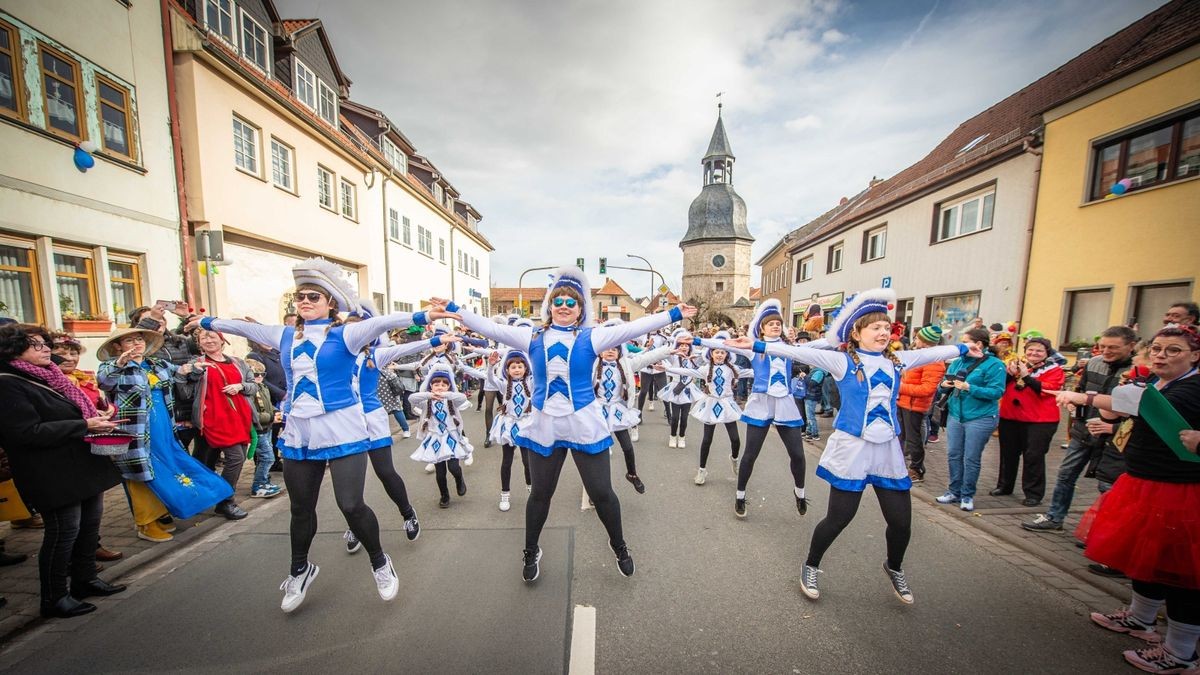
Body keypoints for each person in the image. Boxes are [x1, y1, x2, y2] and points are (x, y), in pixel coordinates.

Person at [186, 258, 438, 612]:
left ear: (330, 303)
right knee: (301, 507)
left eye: (313, 296)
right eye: (300, 297)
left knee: (351, 504)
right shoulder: (284, 334)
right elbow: (244, 329)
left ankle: (380, 561)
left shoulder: (347, 334)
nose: (304, 302)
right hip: (299, 432)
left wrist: (424, 317)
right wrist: (209, 321)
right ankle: (300, 569)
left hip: (342, 428)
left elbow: (384, 321)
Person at [430, 267, 694, 582]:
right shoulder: (531, 336)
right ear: (550, 307)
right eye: (559, 302)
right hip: (544, 425)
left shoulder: (593, 336)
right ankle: (531, 549)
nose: (565, 306)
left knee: (602, 492)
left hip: (583, 423)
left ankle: (619, 544)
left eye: (572, 302)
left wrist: (675, 313)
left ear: (581, 309)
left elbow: (635, 326)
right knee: (541, 493)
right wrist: (455, 311)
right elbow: (490, 328)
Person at [727, 288, 974, 605]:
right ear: (856, 333)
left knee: (901, 522)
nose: (884, 332)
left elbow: (936, 353)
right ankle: (811, 564)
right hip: (853, 451)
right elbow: (798, 353)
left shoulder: (899, 360)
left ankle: (894, 566)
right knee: (839, 518)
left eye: (887, 327)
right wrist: (757, 344)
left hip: (887, 452)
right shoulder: (841, 361)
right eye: (876, 327)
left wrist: (966, 347)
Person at [1052, 325, 1200, 673]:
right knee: (1145, 560)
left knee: (1180, 574)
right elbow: (1121, 410)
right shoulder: (1157, 382)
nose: (1162, 355)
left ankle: (1180, 653)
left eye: (1174, 350)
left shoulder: (1192, 389)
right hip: (1145, 483)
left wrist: (1082, 397)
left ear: (1195, 355)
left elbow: (1129, 405)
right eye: (1158, 349)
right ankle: (1141, 618)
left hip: (1178, 492)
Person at [0, 323, 126, 618]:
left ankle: (85, 580)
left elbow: (66, 411)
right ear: (13, 349)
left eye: (45, 343)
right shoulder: (8, 382)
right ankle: (55, 597)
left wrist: (95, 414)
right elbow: (25, 433)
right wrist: (84, 425)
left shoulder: (53, 376)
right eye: (36, 344)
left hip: (80, 462)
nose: (46, 348)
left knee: (89, 524)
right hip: (50, 470)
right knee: (63, 531)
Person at [97, 327, 232, 542]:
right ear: (117, 346)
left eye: (139, 339)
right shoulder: (111, 367)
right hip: (136, 431)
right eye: (129, 340)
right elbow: (104, 381)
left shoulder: (156, 364)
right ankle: (145, 523)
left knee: (167, 469)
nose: (136, 344)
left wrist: (193, 367)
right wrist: (120, 363)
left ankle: (161, 514)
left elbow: (180, 372)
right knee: (142, 475)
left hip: (163, 427)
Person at [696, 299, 807, 519]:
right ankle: (739, 495)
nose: (775, 325)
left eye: (778, 323)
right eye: (771, 323)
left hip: (785, 404)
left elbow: (820, 349)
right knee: (750, 455)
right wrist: (695, 340)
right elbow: (722, 346)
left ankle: (800, 492)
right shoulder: (753, 349)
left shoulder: (791, 349)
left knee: (797, 454)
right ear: (762, 328)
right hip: (761, 404)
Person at [1022, 326, 1136, 532]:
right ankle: (1055, 518)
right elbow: (1081, 391)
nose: (1106, 351)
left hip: (1114, 436)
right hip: (1084, 429)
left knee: (1108, 485)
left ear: (1131, 346)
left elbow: (1138, 411)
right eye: (1102, 346)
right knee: (1066, 474)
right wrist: (1075, 404)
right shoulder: (1093, 363)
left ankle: (1103, 530)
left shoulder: (1138, 370)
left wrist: (1114, 427)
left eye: (1113, 347)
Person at [50, 333, 123, 562]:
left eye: (73, 353)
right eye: (62, 353)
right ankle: (77, 558)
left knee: (93, 507)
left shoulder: (84, 378)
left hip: (92, 444)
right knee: (72, 513)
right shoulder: (49, 382)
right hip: (68, 447)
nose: (70, 358)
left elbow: (100, 402)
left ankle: (91, 548)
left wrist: (109, 409)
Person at [178, 328, 257, 519]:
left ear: (222, 341)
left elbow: (253, 386)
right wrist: (189, 375)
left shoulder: (238, 362)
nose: (208, 340)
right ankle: (225, 502)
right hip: (215, 418)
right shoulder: (196, 364)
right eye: (203, 338)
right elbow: (184, 392)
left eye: (212, 336)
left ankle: (213, 496)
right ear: (199, 344)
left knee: (223, 459)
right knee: (235, 458)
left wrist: (241, 386)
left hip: (239, 417)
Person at [595, 321, 675, 492]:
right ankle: (597, 486)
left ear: (619, 352)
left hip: (617, 411)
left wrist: (668, 350)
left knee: (627, 446)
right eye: (606, 348)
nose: (610, 351)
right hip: (597, 412)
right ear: (600, 352)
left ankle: (632, 474)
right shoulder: (592, 367)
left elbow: (646, 358)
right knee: (597, 451)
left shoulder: (626, 365)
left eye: (614, 349)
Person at [933, 328, 1005, 512]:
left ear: (978, 344)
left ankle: (967, 495)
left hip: (980, 417)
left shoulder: (994, 364)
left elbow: (997, 392)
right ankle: (953, 490)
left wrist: (969, 387)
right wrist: (943, 385)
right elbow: (942, 387)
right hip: (956, 415)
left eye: (966, 341)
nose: (962, 344)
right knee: (953, 454)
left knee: (971, 457)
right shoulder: (957, 362)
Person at [664, 332, 751, 485]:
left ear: (727, 355)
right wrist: (668, 369)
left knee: (735, 440)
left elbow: (752, 372)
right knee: (707, 441)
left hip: (727, 405)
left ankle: (734, 458)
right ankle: (702, 470)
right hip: (711, 405)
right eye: (717, 352)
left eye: (722, 352)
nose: (719, 355)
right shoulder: (705, 369)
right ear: (711, 354)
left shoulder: (733, 369)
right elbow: (688, 371)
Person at [992, 336, 1064, 506]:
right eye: (1030, 350)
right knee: (1008, 453)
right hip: (1011, 416)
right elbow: (1001, 386)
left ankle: (1033, 493)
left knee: (1033, 456)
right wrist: (1009, 375)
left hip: (1040, 420)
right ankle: (1004, 485)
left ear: (1047, 353)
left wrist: (1027, 376)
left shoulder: (1054, 370)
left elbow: (1047, 389)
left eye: (1039, 350)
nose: (1034, 353)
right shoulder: (1017, 365)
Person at [409, 366, 471, 508]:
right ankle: (444, 495)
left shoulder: (452, 400)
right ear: (431, 385)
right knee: (440, 472)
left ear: (449, 386)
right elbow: (412, 398)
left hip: (451, 437)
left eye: (444, 384)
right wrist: (429, 395)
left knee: (454, 467)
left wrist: (446, 394)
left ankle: (459, 479)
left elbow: (462, 397)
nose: (440, 387)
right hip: (435, 439)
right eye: (436, 384)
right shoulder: (426, 401)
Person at [896, 325, 946, 484]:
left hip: (914, 405)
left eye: (917, 338)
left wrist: (899, 387)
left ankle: (917, 469)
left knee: (913, 439)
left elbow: (927, 389)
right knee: (901, 436)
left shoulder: (934, 361)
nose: (914, 340)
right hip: (904, 402)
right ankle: (899, 466)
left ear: (926, 342)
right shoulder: (918, 356)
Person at [487, 350, 535, 511]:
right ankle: (505, 494)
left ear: (526, 368)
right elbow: (490, 379)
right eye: (513, 367)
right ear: (507, 370)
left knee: (527, 461)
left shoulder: (531, 383)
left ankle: (531, 489)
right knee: (506, 461)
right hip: (508, 425)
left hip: (526, 425)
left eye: (520, 366)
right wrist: (490, 366)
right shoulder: (503, 384)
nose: (516, 369)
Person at [244, 358, 282, 499]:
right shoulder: (249, 392)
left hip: (267, 428)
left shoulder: (262, 387)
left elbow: (268, 404)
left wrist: (275, 411)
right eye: (256, 374)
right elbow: (253, 415)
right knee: (268, 458)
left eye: (262, 374)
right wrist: (272, 417)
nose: (259, 377)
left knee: (264, 457)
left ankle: (264, 482)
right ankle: (258, 485)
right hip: (258, 430)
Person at [657, 331, 703, 449]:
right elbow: (665, 353)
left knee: (684, 417)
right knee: (675, 417)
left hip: (688, 390)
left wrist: (695, 355)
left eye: (686, 345)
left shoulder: (694, 358)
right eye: (681, 345)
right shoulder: (674, 358)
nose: (684, 347)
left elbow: (706, 356)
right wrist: (675, 347)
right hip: (675, 387)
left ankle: (682, 437)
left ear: (690, 347)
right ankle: (672, 436)